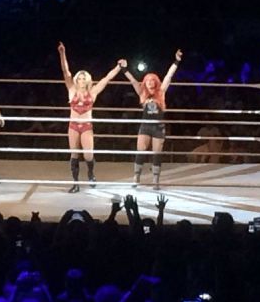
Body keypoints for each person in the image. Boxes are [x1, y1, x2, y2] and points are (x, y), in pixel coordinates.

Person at [57, 42, 125, 193]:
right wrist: (62, 53)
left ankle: (91, 173)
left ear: (87, 80)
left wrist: (118, 67)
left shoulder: (92, 92)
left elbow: (106, 79)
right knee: (74, 154)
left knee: (88, 155)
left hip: (87, 125)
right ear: (76, 80)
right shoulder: (71, 89)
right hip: (73, 125)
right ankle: (75, 183)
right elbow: (65, 71)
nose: (81, 80)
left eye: (83, 78)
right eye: (79, 78)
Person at [124, 49, 182, 189]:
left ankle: (156, 180)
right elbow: (132, 81)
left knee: (157, 154)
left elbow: (169, 76)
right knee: (141, 151)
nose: (150, 82)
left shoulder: (161, 92)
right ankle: (136, 176)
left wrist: (176, 61)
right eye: (148, 80)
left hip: (158, 127)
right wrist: (124, 69)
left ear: (155, 82)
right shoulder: (142, 93)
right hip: (145, 126)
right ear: (145, 82)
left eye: (152, 80)